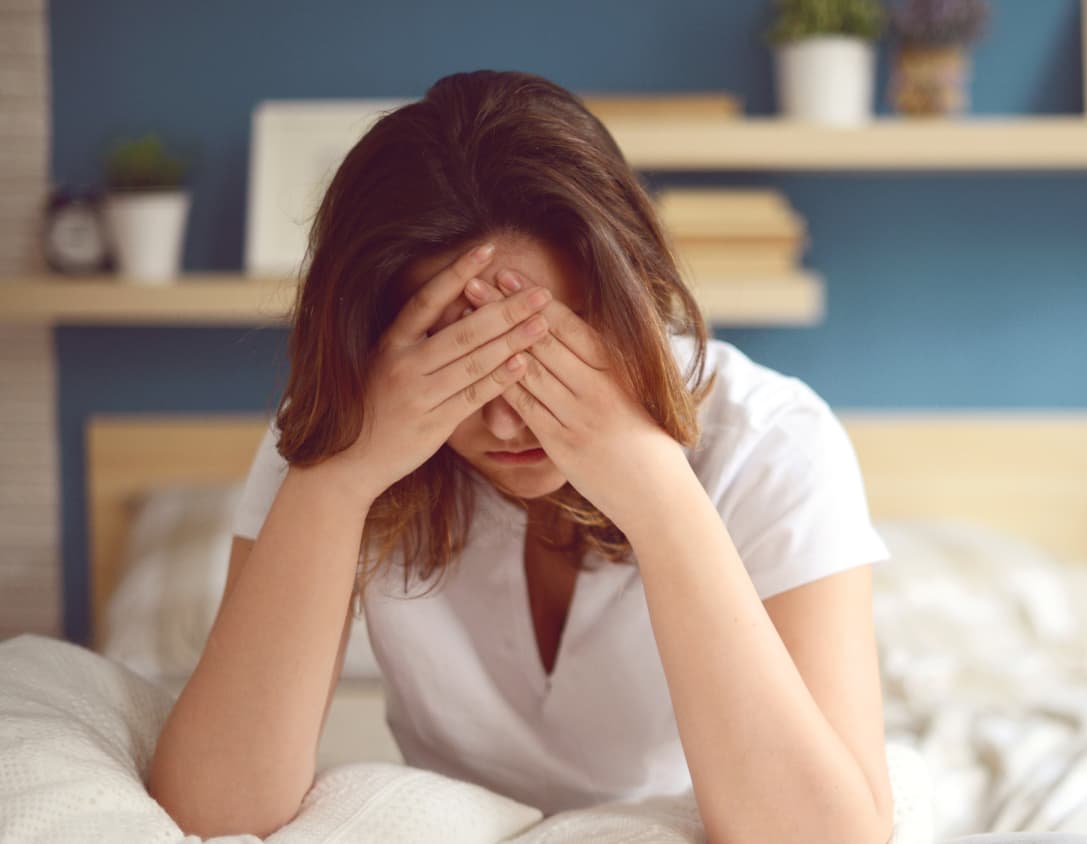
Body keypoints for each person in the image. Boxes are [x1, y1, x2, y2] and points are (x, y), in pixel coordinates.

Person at [146, 70, 894, 843]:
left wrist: (655, 491)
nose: (507, 421)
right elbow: (212, 815)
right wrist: (340, 477)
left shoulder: (772, 441)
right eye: (459, 359)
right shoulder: (338, 431)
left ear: (633, 302)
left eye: (549, 353)